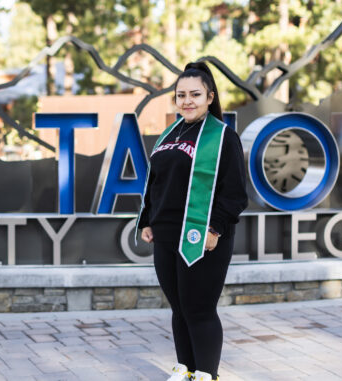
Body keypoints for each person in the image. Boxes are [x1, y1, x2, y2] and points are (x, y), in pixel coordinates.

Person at [135, 62, 248, 381]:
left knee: (199, 308)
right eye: (181, 95)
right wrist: (147, 220)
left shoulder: (223, 137)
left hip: (203, 236)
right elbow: (156, 181)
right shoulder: (170, 134)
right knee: (179, 308)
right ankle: (185, 368)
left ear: (210, 97)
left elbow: (236, 193)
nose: (187, 100)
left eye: (195, 94)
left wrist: (216, 227)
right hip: (166, 234)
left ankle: (206, 374)